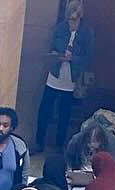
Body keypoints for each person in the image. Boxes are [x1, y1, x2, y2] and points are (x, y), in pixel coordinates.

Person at [36, 0, 92, 152]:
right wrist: (57, 55)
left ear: (80, 17)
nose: (71, 23)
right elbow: (51, 47)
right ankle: (39, 142)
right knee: (45, 109)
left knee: (64, 113)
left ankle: (59, 145)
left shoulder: (87, 32)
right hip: (55, 73)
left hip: (71, 77)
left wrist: (73, 58)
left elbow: (88, 57)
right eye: (70, 19)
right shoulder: (59, 28)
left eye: (75, 19)